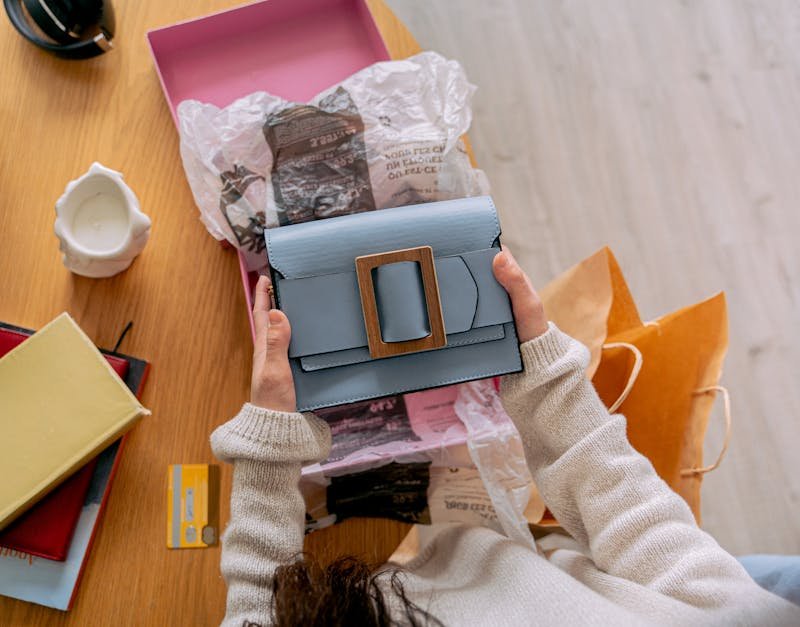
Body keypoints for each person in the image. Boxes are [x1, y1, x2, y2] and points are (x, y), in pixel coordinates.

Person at [211, 249, 799, 626]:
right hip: (520, 562)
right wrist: (542, 376)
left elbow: (257, 608)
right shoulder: (741, 617)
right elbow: (635, 520)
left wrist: (268, 449)